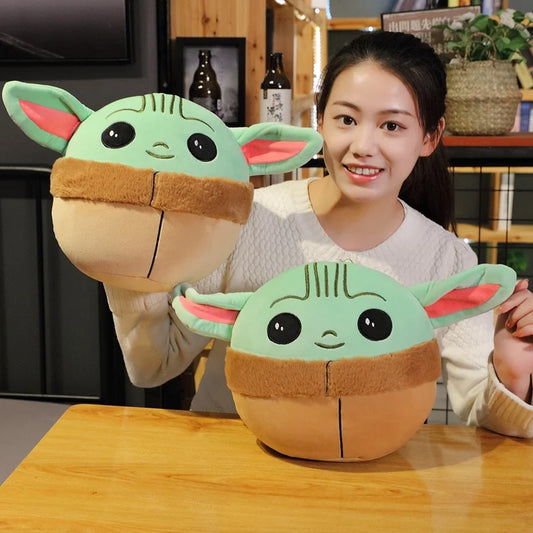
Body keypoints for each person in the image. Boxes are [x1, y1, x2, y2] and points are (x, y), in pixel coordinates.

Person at [105, 31, 533, 436]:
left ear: (430, 137)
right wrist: (130, 262)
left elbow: (483, 412)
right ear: (320, 120)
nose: (363, 146)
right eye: (346, 119)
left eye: (392, 126)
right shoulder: (250, 220)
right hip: (233, 459)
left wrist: (511, 373)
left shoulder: (448, 260)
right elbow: (153, 365)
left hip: (373, 470)